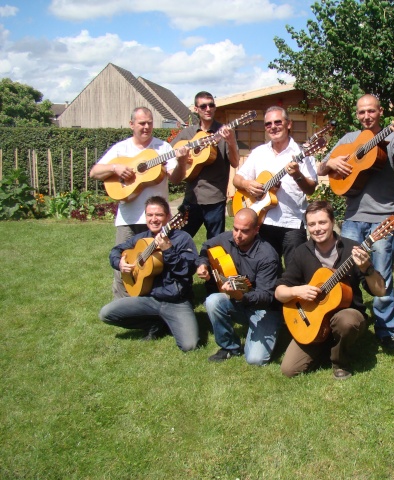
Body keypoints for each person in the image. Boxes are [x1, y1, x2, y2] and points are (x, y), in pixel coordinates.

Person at [317, 94, 394, 350]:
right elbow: (319, 168)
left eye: (371, 111)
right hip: (352, 217)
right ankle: (346, 323)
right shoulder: (349, 139)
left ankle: (386, 332)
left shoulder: (391, 138)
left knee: (381, 274)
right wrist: (330, 162)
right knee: (345, 273)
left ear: (380, 112)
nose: (366, 116)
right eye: (361, 112)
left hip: (383, 218)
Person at [275, 200, 386, 380]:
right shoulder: (301, 252)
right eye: (312, 224)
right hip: (314, 319)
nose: (317, 228)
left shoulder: (352, 249)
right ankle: (323, 345)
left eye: (322, 222)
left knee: (347, 322)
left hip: (345, 316)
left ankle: (339, 361)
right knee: (289, 370)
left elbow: (380, 292)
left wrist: (368, 269)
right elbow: (279, 292)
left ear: (333, 222)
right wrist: (297, 291)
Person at [90, 106, 187, 298]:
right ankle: (122, 307)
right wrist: (115, 167)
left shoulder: (163, 148)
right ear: (131, 124)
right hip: (128, 218)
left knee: (154, 267)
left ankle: (152, 309)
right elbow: (94, 172)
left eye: (150, 123)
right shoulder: (121, 148)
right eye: (142, 123)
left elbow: (176, 178)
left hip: (156, 219)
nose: (146, 127)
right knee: (124, 264)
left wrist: (182, 161)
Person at [98, 196, 199, 352]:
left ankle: (169, 321)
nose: (153, 219)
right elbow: (116, 250)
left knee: (189, 345)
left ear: (169, 217)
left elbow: (186, 270)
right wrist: (119, 262)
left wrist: (168, 249)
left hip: (176, 301)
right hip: (148, 298)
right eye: (149, 215)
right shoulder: (141, 238)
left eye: (158, 215)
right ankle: (154, 323)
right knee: (106, 314)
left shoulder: (182, 239)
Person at [233, 106, 317, 270]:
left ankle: (292, 296)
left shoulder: (302, 153)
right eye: (268, 124)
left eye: (278, 122)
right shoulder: (259, 152)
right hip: (262, 220)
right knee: (267, 268)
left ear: (288, 124)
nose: (273, 126)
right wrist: (247, 185)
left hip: (291, 222)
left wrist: (297, 175)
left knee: (295, 270)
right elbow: (237, 178)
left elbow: (310, 189)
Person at [196, 208, 282, 366]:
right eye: (235, 229)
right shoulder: (226, 239)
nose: (237, 235)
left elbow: (266, 297)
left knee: (255, 360)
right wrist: (203, 265)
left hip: (265, 310)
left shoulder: (267, 256)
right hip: (240, 302)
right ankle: (229, 347)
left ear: (256, 230)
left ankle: (275, 331)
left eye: (244, 231)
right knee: (213, 301)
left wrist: (241, 297)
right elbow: (205, 246)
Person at [171, 91, 240, 239]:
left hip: (215, 199)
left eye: (211, 105)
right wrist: (182, 158)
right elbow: (169, 153)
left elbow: (235, 162)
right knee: (179, 240)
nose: (208, 109)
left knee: (215, 245)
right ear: (196, 109)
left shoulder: (224, 132)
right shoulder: (187, 134)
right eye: (203, 106)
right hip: (191, 198)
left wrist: (232, 142)